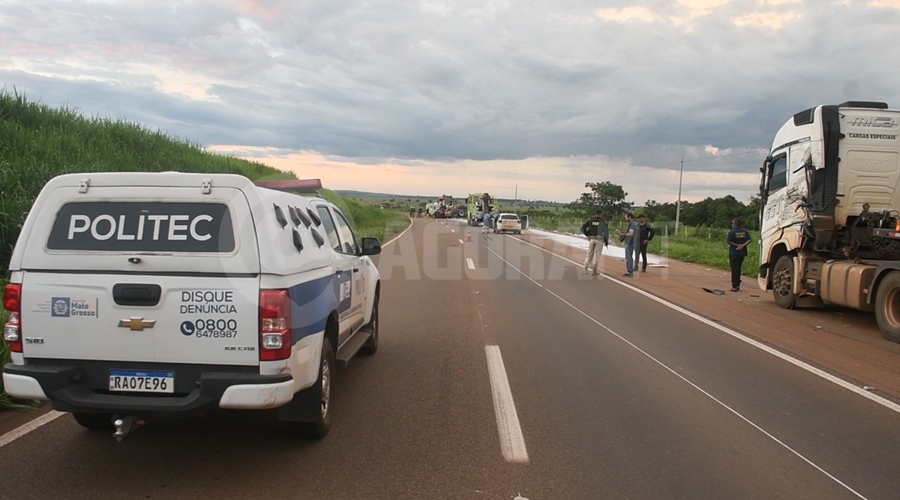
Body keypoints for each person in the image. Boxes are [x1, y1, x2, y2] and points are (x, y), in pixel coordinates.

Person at [726, 218, 752, 292]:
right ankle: (737, 284)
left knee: (734, 269)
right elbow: (749, 240)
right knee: (738, 268)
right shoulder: (745, 232)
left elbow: (729, 241)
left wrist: (737, 245)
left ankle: (735, 286)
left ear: (734, 224)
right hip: (742, 253)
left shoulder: (732, 232)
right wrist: (743, 245)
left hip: (734, 252)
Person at [581, 209, 609, 275]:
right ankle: (594, 270)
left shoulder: (590, 221)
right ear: (601, 214)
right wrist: (606, 241)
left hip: (592, 239)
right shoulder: (603, 222)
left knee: (589, 254)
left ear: (595, 214)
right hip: (599, 240)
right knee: (597, 255)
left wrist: (588, 234)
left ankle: (585, 269)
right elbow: (606, 232)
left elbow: (583, 228)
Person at [615, 212, 639, 277]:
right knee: (629, 256)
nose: (626, 219)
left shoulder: (632, 224)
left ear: (630, 217)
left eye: (626, 217)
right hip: (631, 242)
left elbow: (631, 233)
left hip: (630, 242)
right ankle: (629, 271)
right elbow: (629, 232)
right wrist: (622, 232)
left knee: (628, 257)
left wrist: (622, 234)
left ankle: (630, 271)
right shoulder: (634, 224)